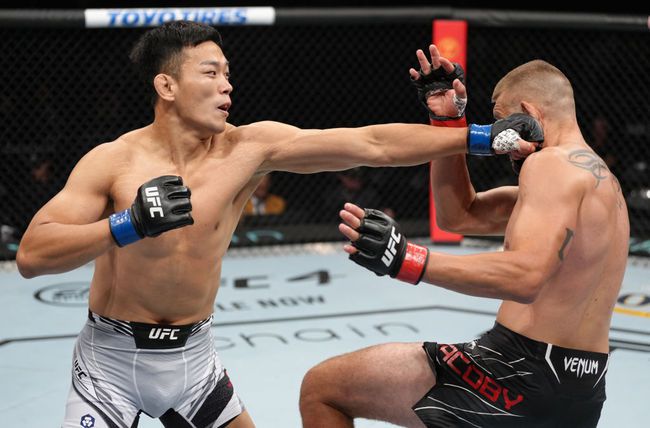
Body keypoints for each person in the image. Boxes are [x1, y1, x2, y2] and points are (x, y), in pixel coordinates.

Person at [15, 23, 538, 428]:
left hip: (193, 362)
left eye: (227, 74)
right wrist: (127, 224)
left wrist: (479, 136)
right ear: (166, 84)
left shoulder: (249, 148)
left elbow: (370, 144)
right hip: (108, 362)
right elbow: (33, 255)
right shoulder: (113, 161)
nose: (227, 85)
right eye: (210, 73)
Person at [299, 45, 630, 427]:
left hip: (515, 373)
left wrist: (404, 259)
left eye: (505, 122)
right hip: (585, 388)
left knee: (323, 388)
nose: (504, 144)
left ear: (531, 113)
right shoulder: (605, 188)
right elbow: (459, 214)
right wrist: (448, 123)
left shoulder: (549, 165)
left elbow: (526, 277)